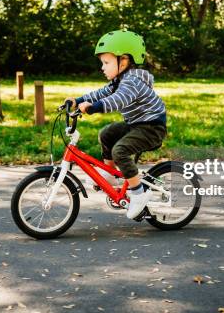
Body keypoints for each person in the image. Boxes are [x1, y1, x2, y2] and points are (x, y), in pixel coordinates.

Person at [65, 30, 167, 219]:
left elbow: (117, 100)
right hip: (137, 124)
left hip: (152, 128)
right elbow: (102, 93)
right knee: (107, 133)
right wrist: (78, 100)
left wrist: (94, 108)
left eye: (106, 63)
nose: (103, 67)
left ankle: (139, 193)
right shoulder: (119, 79)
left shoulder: (132, 81)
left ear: (125, 60)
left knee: (120, 150)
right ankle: (110, 175)